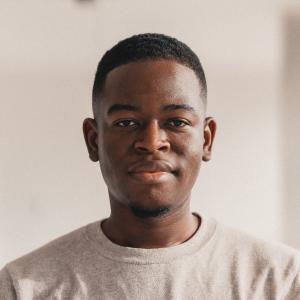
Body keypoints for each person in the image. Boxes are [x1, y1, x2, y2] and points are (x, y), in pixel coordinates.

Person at [0, 33, 299, 299]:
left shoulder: (281, 280)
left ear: (206, 140)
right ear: (93, 140)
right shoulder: (24, 287)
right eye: (127, 122)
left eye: (176, 122)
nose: (152, 142)